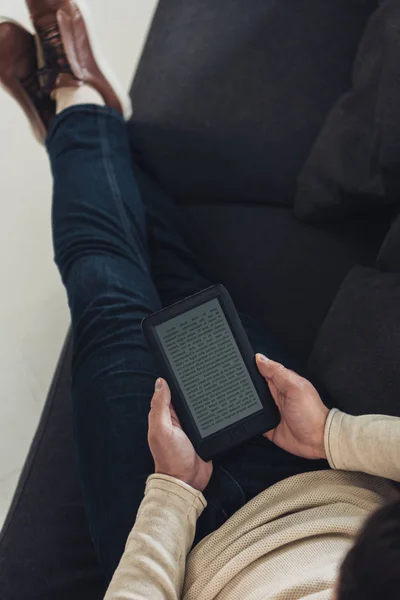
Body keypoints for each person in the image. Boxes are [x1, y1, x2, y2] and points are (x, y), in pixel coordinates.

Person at [0, 2, 399, 598]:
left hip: (186, 551)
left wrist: (173, 491)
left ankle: (79, 113)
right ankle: (80, 117)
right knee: (183, 286)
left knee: (107, 297)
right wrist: (330, 434)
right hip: (317, 473)